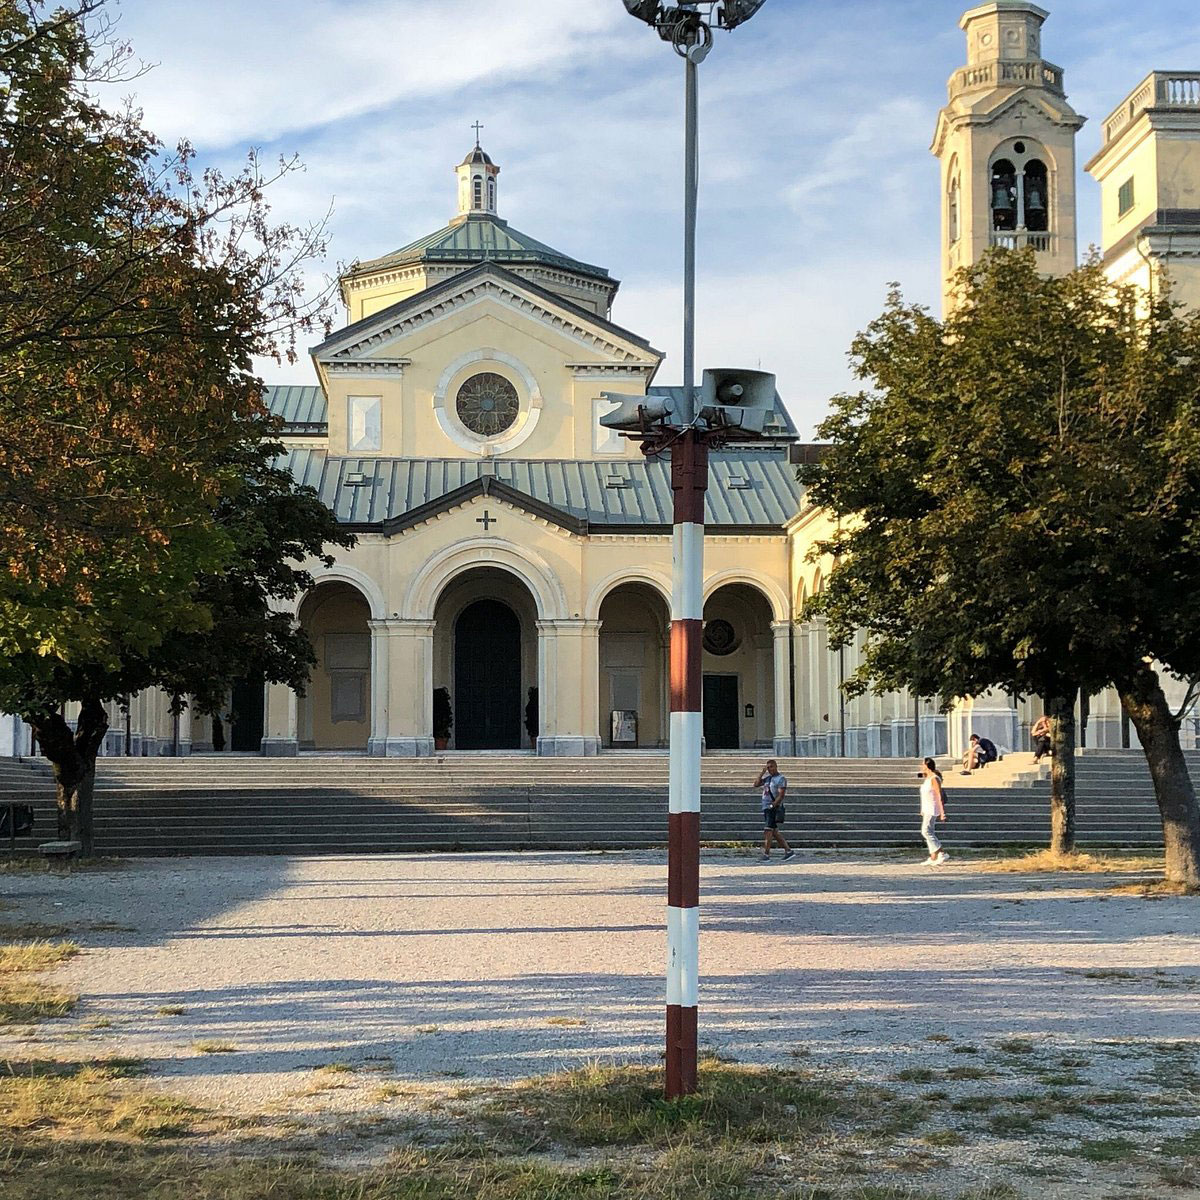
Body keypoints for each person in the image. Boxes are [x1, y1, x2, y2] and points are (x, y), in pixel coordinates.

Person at [753, 759, 795, 863]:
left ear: (776, 766)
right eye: (768, 767)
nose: (770, 769)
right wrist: (762, 773)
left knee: (768, 831)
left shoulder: (781, 779)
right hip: (766, 807)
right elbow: (756, 784)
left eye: (771, 767)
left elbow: (781, 795)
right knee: (774, 831)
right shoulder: (768, 778)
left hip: (772, 807)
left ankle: (766, 854)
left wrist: (773, 805)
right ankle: (788, 851)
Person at [919, 757, 949, 865]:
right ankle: (933, 857)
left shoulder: (934, 779)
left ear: (927, 766)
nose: (921, 767)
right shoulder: (928, 779)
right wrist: (922, 809)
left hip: (933, 808)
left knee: (925, 831)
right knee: (929, 831)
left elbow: (939, 795)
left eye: (922, 765)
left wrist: (942, 812)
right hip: (927, 808)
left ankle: (941, 852)